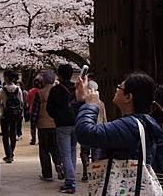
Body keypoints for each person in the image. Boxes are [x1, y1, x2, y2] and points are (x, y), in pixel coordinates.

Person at [75, 71, 163, 195]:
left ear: (128, 97)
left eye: (119, 87)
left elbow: (86, 134)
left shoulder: (129, 125)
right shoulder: (141, 122)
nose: (116, 89)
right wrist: (83, 101)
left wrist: (91, 106)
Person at [46, 64, 78, 193]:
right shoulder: (76, 88)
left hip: (62, 124)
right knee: (73, 151)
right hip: (75, 123)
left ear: (59, 74)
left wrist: (57, 116)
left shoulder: (56, 90)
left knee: (65, 153)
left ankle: (70, 182)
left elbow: (50, 108)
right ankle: (71, 178)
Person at [31, 70, 63, 182]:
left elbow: (34, 112)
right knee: (55, 148)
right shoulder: (58, 92)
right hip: (56, 124)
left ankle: (47, 174)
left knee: (44, 150)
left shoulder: (39, 93)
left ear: (43, 80)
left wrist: (33, 127)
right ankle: (59, 164)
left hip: (43, 125)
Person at [80, 80, 107, 182]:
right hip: (98, 130)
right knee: (96, 153)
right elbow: (104, 118)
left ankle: (86, 172)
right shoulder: (101, 103)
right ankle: (94, 174)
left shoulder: (84, 102)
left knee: (84, 152)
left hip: (87, 130)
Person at [0, 70, 23, 163]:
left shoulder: (2, 90)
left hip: (5, 114)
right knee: (13, 133)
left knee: (5, 135)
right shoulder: (18, 89)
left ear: (7, 77)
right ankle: (11, 153)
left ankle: (8, 154)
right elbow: (21, 103)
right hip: (15, 114)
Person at [27, 77, 42, 145]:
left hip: (32, 110)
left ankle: (33, 139)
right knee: (40, 126)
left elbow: (28, 101)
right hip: (41, 110)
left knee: (33, 127)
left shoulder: (31, 91)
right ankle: (40, 140)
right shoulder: (42, 91)